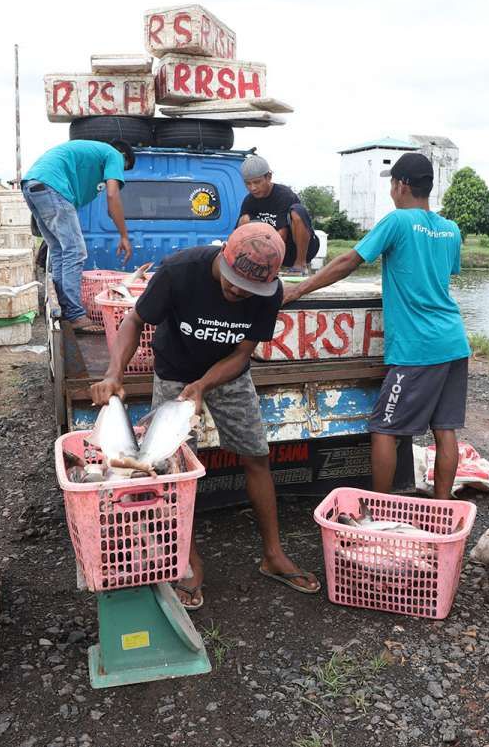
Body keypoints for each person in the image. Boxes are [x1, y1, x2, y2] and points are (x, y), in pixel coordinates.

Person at [89, 222, 320, 609]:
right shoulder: (180, 270)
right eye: (232, 282)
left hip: (227, 375)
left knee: (257, 456)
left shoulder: (268, 291)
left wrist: (204, 386)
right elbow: (134, 321)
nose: (238, 293)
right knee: (173, 472)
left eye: (248, 290)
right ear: (223, 257)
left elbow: (243, 353)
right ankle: (188, 560)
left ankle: (273, 555)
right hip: (174, 373)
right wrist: (114, 373)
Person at [283, 152, 468, 500]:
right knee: (445, 430)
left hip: (418, 347)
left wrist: (299, 289)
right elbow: (444, 275)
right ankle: (444, 508)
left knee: (385, 428)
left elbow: (349, 261)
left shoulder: (397, 222)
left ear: (401, 185)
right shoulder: (451, 229)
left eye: (393, 185)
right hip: (453, 341)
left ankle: (380, 510)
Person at [21, 139, 135, 332]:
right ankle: (76, 315)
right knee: (75, 251)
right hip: (51, 186)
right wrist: (124, 236)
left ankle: (65, 308)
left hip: (33, 185)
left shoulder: (93, 155)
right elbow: (112, 196)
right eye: (123, 170)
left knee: (59, 250)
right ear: (123, 157)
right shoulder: (114, 154)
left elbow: (106, 204)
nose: (119, 174)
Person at [235, 154, 319, 274]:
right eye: (248, 184)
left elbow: (281, 235)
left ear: (269, 177)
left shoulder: (284, 195)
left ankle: (300, 263)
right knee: (244, 220)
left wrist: (271, 265)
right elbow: (239, 233)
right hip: (271, 249)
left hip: (296, 248)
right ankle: (253, 263)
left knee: (297, 212)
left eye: (257, 182)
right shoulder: (249, 201)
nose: (253, 188)